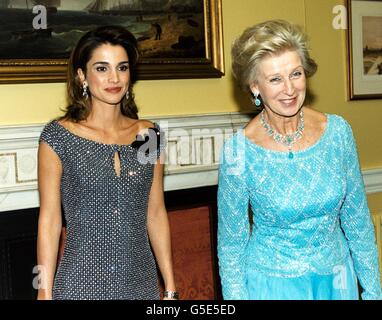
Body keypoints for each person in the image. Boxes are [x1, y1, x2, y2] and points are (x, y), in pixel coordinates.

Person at [217, 20, 382, 300]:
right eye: (275, 79)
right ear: (255, 86)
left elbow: (358, 222)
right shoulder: (238, 152)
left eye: (295, 74)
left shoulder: (338, 132)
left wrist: (374, 291)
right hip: (272, 288)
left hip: (337, 282)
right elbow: (232, 247)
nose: (290, 89)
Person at [36, 25, 178, 300]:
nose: (114, 78)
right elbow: (50, 221)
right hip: (79, 285)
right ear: (82, 76)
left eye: (122, 68)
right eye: (102, 68)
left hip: (141, 284)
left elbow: (156, 213)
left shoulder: (147, 135)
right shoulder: (59, 136)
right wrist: (44, 291)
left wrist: (170, 287)